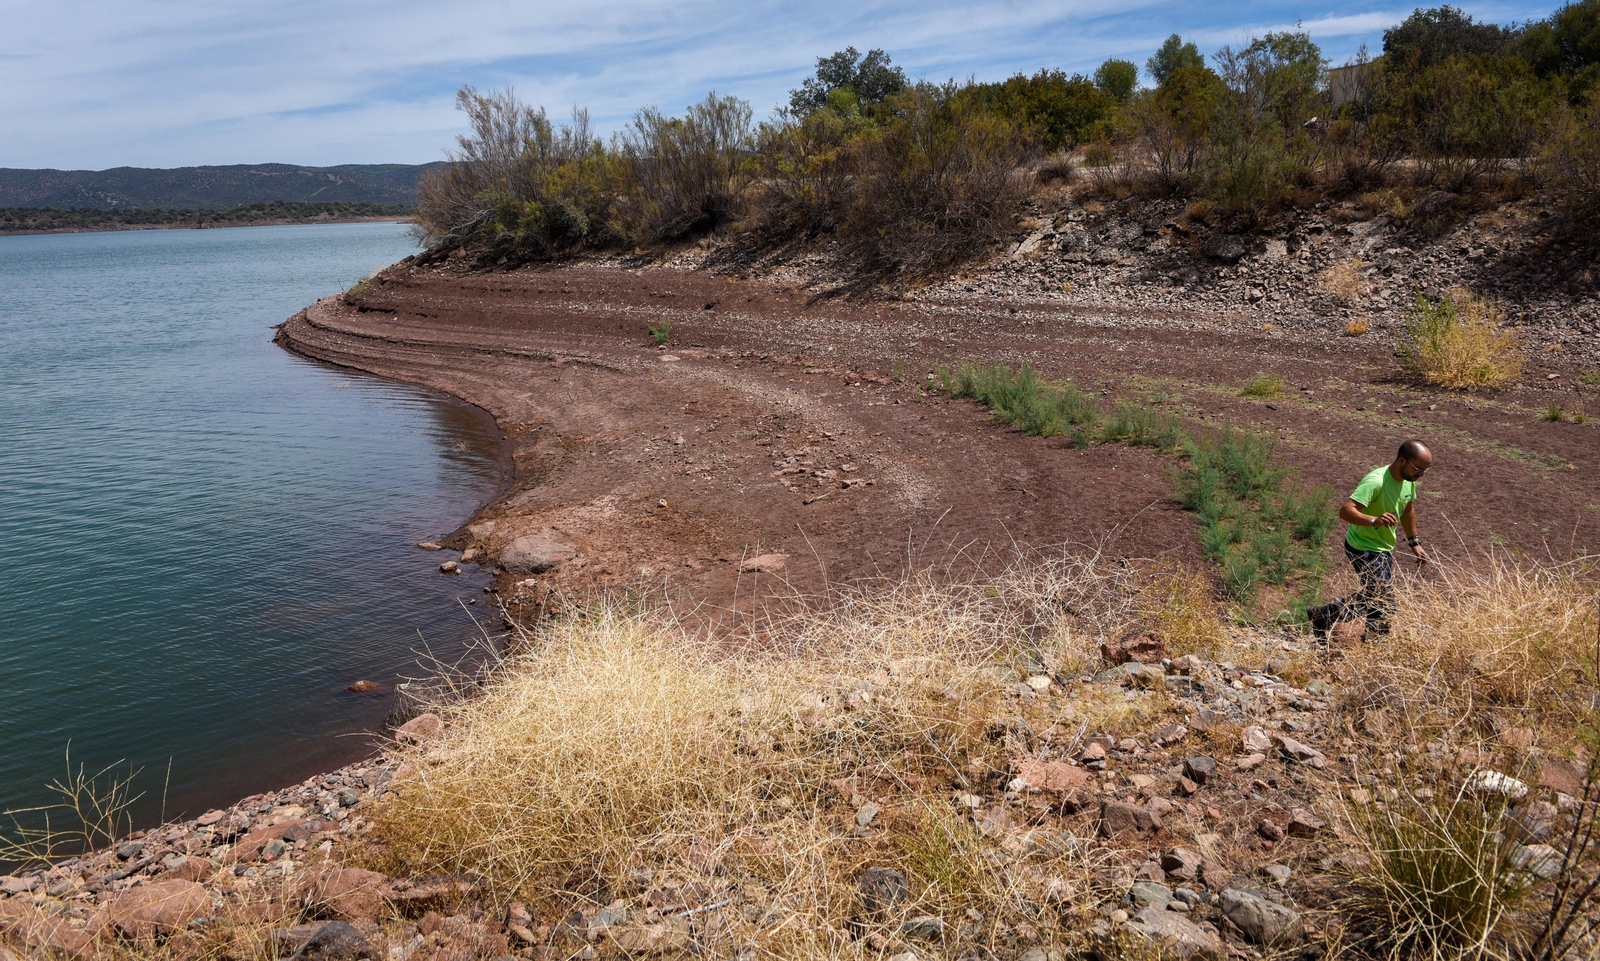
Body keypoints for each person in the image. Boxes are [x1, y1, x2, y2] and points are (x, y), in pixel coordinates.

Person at [1308, 439, 1432, 639]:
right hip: (1362, 546)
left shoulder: (1408, 482)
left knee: (1374, 595)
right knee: (1383, 598)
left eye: (1426, 469)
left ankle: (1324, 615)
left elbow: (1408, 510)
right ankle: (1374, 643)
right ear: (1402, 461)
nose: (1421, 474)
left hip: (1383, 548)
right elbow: (1345, 511)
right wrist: (1373, 520)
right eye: (1418, 468)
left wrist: (1414, 543)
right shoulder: (1376, 481)